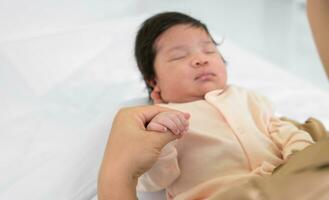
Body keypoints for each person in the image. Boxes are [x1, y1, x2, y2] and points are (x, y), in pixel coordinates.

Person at [133, 12, 314, 200]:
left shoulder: (246, 98)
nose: (200, 60)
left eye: (209, 51)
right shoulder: (162, 119)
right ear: (154, 81)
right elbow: (150, 181)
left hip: (281, 183)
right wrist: (161, 140)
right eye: (179, 56)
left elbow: (284, 131)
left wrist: (299, 155)